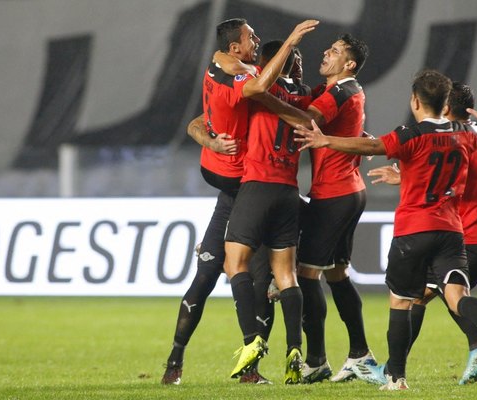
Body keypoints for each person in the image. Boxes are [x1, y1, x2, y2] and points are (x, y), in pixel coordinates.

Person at [293, 69, 477, 390]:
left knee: (401, 301)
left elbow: (371, 146)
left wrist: (327, 140)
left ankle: (396, 377)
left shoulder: (411, 134)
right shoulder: (467, 134)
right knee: (457, 294)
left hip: (414, 230)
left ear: (415, 101)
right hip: (451, 233)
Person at [160, 17, 318, 386]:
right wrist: (213, 142)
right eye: (250, 37)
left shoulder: (252, 88)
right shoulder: (249, 88)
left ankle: (251, 368)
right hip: (239, 193)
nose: (255, 39)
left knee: (259, 280)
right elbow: (197, 123)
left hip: (253, 191)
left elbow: (199, 120)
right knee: (207, 276)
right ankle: (174, 359)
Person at [367, 81, 477, 385]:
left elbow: (441, 176)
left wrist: (403, 176)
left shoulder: (457, 140)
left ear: (445, 107)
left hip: (474, 231)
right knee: (442, 293)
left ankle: (400, 370)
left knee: (427, 297)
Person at [257, 33, 378, 384]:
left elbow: (303, 118)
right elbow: (301, 102)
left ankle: (316, 360)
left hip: (335, 195)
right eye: (329, 48)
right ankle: (360, 354)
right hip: (345, 192)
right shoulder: (339, 91)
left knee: (306, 276)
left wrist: (261, 97)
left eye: (336, 51)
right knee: (337, 275)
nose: (326, 53)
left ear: (349, 64)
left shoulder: (341, 91)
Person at [216, 39, 313, 384]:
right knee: (286, 275)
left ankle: (251, 341)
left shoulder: (258, 90)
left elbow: (235, 75)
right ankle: (294, 349)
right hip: (289, 190)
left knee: (234, 263)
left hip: (258, 184)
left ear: (269, 64)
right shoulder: (303, 98)